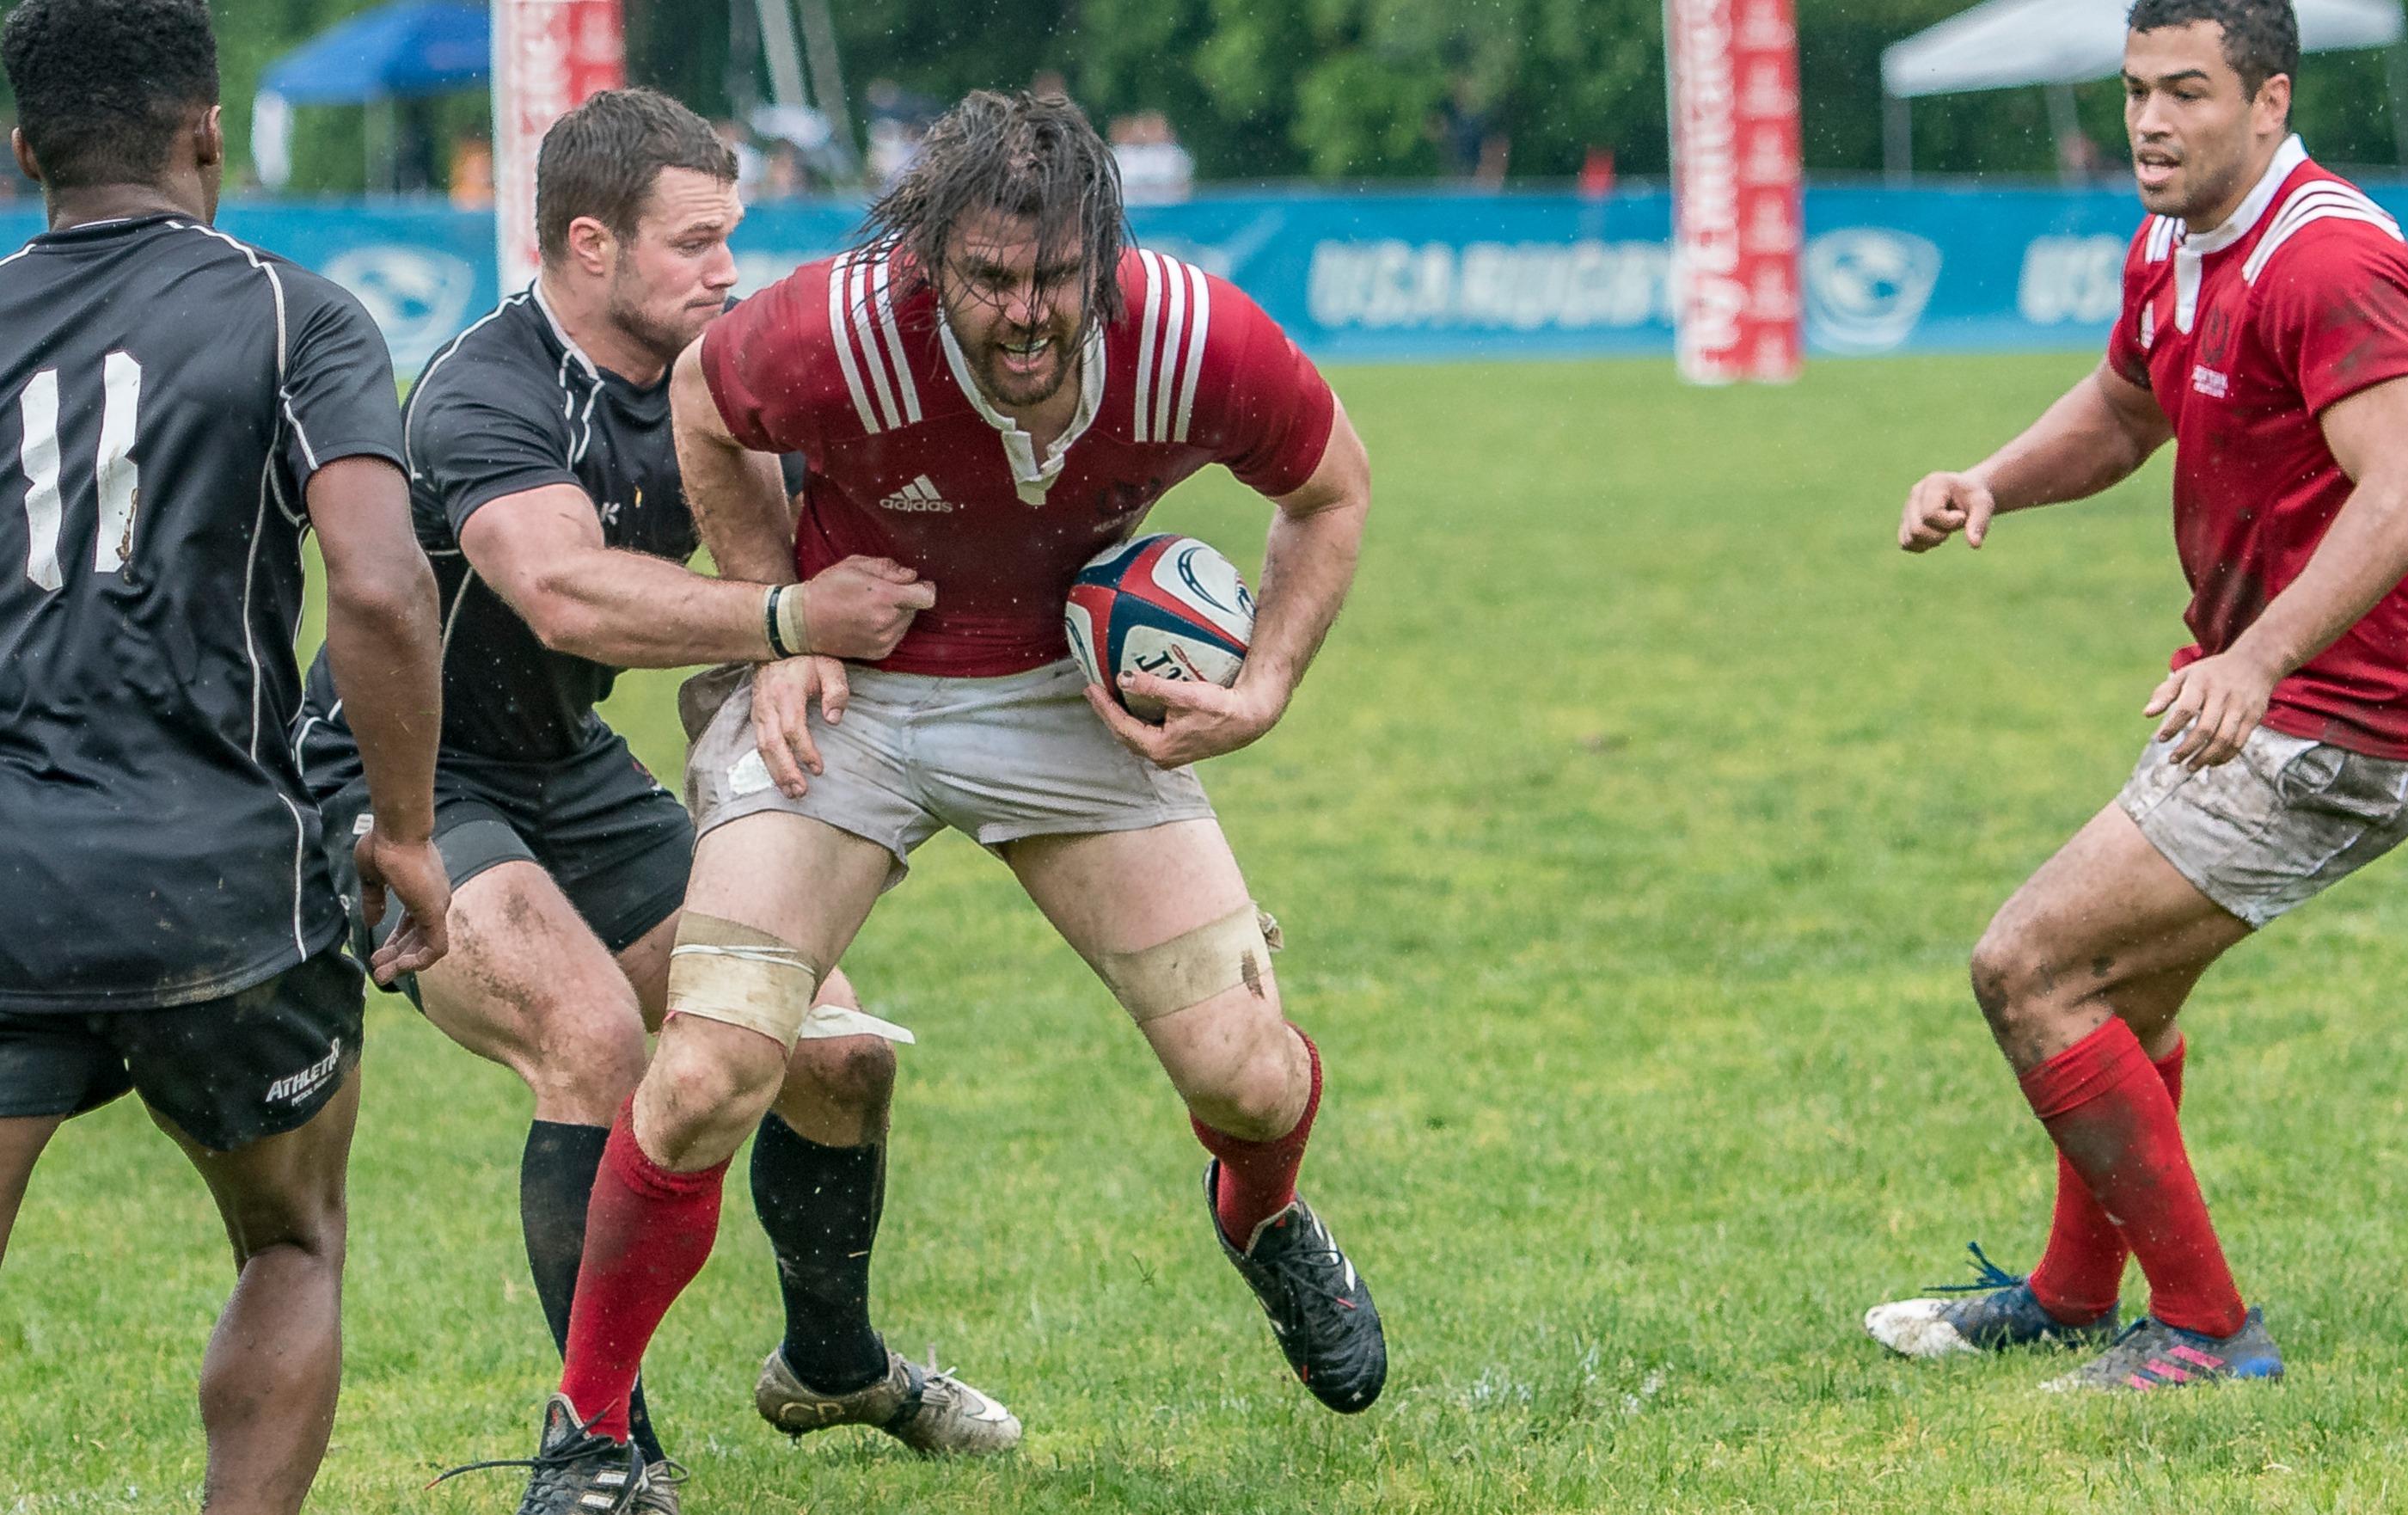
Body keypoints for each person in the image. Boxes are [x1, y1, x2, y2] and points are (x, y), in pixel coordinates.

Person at [491, 89, 1386, 1512]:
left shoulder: (1193, 336)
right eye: (987, 278)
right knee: (713, 1066)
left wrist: (1265, 683)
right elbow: (707, 406)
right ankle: (588, 1431)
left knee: (1247, 1075)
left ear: (1104, 253)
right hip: (860, 691)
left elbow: (1330, 489)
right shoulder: (832, 326)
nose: (1026, 314)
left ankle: (1264, 1218)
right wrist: (768, 621)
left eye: (1055, 279)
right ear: (926, 263)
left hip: (1066, 697)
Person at [299, 89, 1022, 1512]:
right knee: (588, 1039)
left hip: (571, 771)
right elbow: (562, 591)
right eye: (693, 244)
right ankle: (599, 1447)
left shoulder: (721, 378)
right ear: (587, 245)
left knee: (836, 1051)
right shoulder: (485, 388)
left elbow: (820, 562)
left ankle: (834, 1364)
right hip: (404, 777)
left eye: (731, 237)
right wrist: (778, 612)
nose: (725, 270)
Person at [1866, 0, 2408, 1392]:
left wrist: (2257, 659)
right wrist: (1990, 479)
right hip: (2267, 701)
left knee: (2028, 966)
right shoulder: (2175, 238)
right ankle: (2078, 1293)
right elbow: (2128, 408)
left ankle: (2203, 1331)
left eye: (2186, 92)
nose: (2148, 120)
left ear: (2268, 102)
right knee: (2112, 988)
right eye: (2136, 89)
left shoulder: (2326, 259)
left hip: (2336, 726)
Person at [0, 0, 452, 1511]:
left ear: (23, 151)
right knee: (288, 1236)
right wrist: (405, 832)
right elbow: (383, 589)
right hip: (226, 885)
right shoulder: (296, 314)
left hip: (7, 877)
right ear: (207, 134)